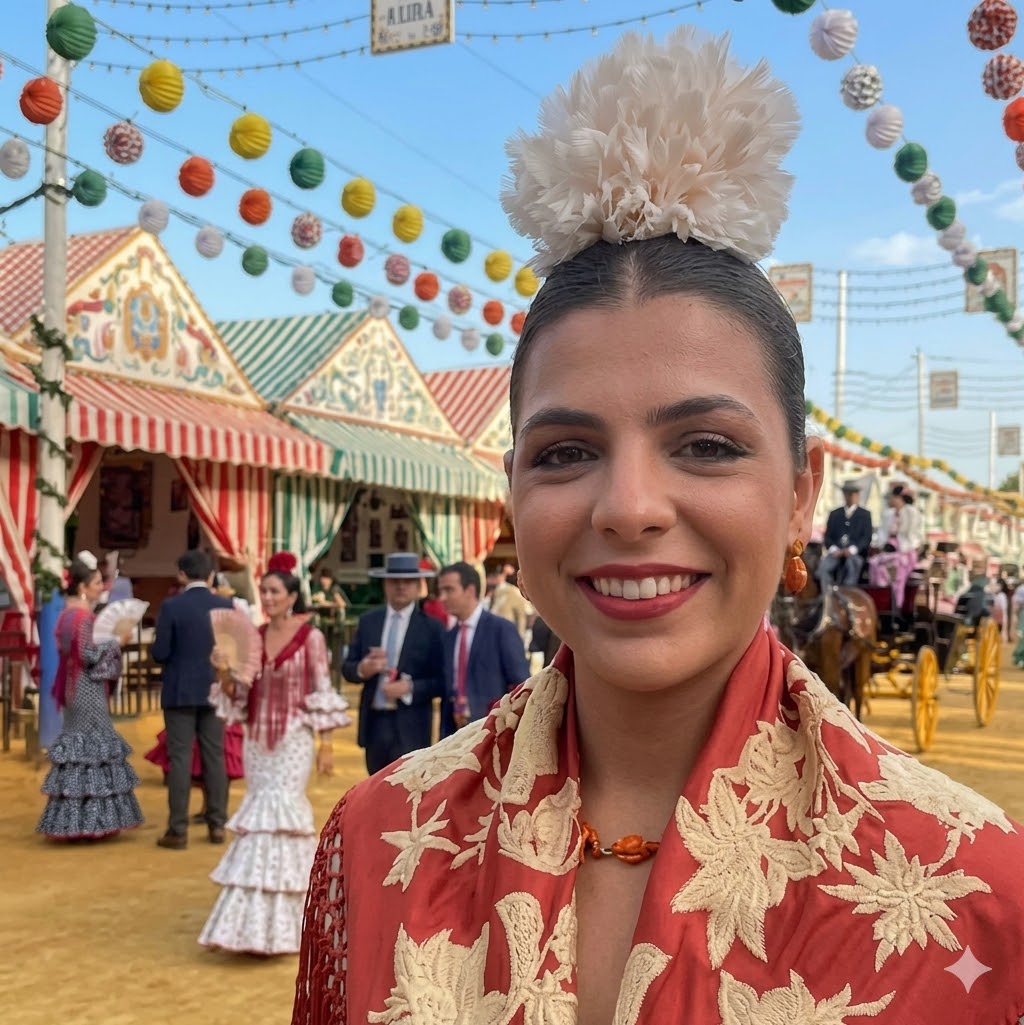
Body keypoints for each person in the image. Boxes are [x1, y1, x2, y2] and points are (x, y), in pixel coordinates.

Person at [292, 28, 1024, 1024]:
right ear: (512, 494)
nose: (629, 506)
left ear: (802, 492)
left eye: (706, 445)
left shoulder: (981, 893)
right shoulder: (376, 840)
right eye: (565, 453)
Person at [199, 564, 351, 955]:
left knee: (284, 816)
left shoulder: (311, 638)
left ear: (292, 596)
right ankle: (249, 926)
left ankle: (297, 920)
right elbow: (235, 694)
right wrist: (222, 671)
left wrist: (327, 744)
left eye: (274, 592)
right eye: (263, 591)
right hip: (256, 740)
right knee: (258, 819)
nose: (267, 598)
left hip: (294, 739)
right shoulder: (252, 637)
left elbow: (321, 688)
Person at [37, 552, 144, 840]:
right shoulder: (83, 616)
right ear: (83, 587)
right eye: (97, 583)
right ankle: (92, 821)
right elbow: (87, 655)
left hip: (73, 686)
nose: (101, 587)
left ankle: (73, 819)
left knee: (79, 750)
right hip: (86, 688)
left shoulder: (66, 615)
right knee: (92, 750)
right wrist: (116, 642)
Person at [150, 549, 233, 849]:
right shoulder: (226, 605)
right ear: (211, 575)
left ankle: (178, 829)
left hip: (180, 691)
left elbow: (160, 652)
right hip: (215, 687)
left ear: (182, 575)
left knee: (180, 759)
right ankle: (217, 824)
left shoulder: (172, 606)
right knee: (215, 757)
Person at [341, 551, 446, 775]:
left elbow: (442, 680)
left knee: (409, 787)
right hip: (375, 722)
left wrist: (410, 688)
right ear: (385, 584)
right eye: (394, 581)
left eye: (407, 581)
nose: (400, 586)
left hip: (412, 724)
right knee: (375, 786)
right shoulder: (369, 622)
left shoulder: (431, 628)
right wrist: (363, 669)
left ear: (418, 586)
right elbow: (348, 668)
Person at [437, 560, 530, 735]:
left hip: (492, 731)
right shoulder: (449, 636)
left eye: (449, 590)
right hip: (455, 734)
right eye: (441, 591)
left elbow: (521, 684)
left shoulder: (500, 629)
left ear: (470, 590)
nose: (442, 597)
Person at [867, 484, 924, 610]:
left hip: (905, 552)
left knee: (896, 569)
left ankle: (896, 606)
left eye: (892, 497)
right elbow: (882, 534)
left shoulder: (912, 513)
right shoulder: (888, 514)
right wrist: (881, 546)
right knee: (874, 563)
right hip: (888, 550)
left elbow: (914, 537)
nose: (890, 500)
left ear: (899, 498)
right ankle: (882, 600)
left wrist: (901, 547)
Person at [818, 480, 873, 588]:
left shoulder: (865, 515)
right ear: (844, 494)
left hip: (854, 554)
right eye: (848, 493)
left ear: (858, 495)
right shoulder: (834, 514)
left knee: (852, 566)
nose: (851, 496)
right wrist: (834, 549)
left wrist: (852, 550)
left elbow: (866, 538)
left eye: (854, 493)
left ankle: (847, 593)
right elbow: (827, 537)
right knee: (824, 567)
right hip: (836, 552)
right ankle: (827, 594)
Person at [487, 562, 531, 642]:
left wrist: (520, 638)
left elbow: (521, 616)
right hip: (493, 634)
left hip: (507, 634)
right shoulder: (492, 592)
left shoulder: (513, 592)